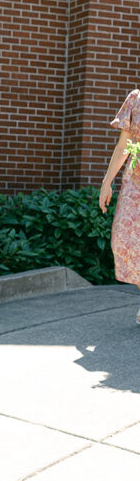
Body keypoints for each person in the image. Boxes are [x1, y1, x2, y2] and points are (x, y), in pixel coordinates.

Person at [99, 88, 140, 323]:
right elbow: (124, 143)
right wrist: (107, 182)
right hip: (134, 182)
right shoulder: (135, 99)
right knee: (122, 241)